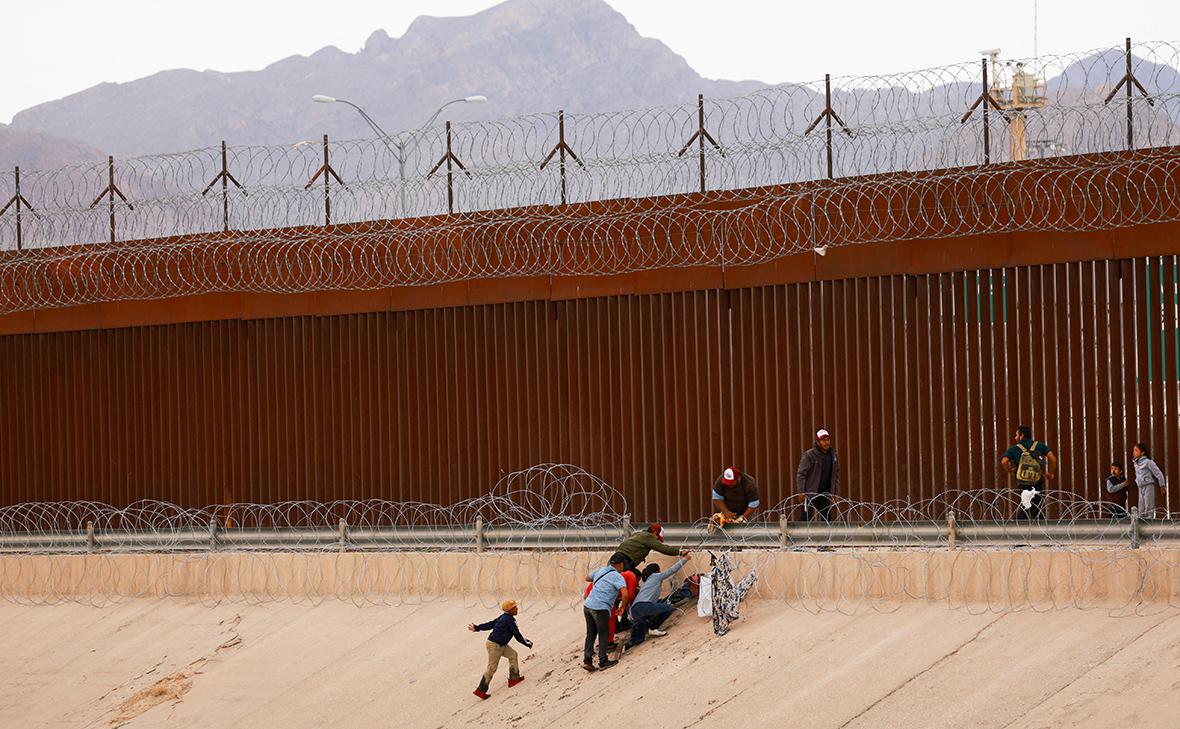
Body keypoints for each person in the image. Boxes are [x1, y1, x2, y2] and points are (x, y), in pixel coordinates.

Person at [467, 599, 533, 700]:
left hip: (501, 645)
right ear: (510, 610)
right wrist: (527, 643)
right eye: (514, 607)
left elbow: (491, 624)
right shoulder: (509, 619)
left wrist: (477, 628)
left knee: (513, 655)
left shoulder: (504, 617)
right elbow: (517, 634)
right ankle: (481, 690)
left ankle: (514, 678)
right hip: (495, 646)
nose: (517, 609)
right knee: (492, 668)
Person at [625, 554, 689, 649]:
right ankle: (653, 628)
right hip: (643, 606)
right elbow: (672, 570)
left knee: (640, 636)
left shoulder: (646, 583)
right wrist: (685, 559)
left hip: (635, 610)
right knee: (668, 607)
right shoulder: (655, 576)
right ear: (657, 571)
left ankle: (632, 643)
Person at [582, 553, 630, 672]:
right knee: (604, 633)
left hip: (588, 605)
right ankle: (603, 661)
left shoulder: (601, 570)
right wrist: (623, 607)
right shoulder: (618, 576)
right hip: (600, 607)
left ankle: (587, 661)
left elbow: (587, 578)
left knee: (591, 633)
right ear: (619, 564)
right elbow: (625, 594)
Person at [1000, 425, 1056, 520]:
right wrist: (1051, 473)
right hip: (1037, 481)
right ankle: (1040, 527)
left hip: (1022, 482)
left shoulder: (1014, 449)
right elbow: (1053, 459)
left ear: (1022, 435)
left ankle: (1019, 526)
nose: (1015, 437)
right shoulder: (1040, 445)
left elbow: (1003, 462)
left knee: (1027, 505)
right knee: (1035, 505)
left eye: (1016, 435)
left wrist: (1010, 471)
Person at [796, 429, 839, 521]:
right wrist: (801, 492)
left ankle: (826, 535)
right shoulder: (809, 455)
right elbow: (801, 474)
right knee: (805, 518)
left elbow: (835, 475)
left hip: (824, 493)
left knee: (826, 519)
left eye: (828, 439)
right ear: (818, 442)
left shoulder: (833, 455)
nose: (826, 442)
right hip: (810, 492)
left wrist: (834, 493)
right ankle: (800, 535)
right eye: (823, 440)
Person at [615, 523, 687, 570]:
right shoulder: (649, 537)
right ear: (655, 533)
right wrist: (680, 552)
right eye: (657, 538)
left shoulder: (639, 534)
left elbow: (634, 547)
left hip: (616, 557)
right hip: (624, 562)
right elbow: (663, 548)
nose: (657, 541)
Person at [1131, 443, 1166, 518]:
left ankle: (1149, 525)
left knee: (1149, 507)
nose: (1134, 452)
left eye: (1136, 450)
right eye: (1133, 450)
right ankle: (1141, 525)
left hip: (1148, 486)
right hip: (1140, 487)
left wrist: (1162, 486)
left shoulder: (1148, 462)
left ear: (1142, 452)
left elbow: (1158, 473)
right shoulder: (1135, 463)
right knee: (1141, 508)